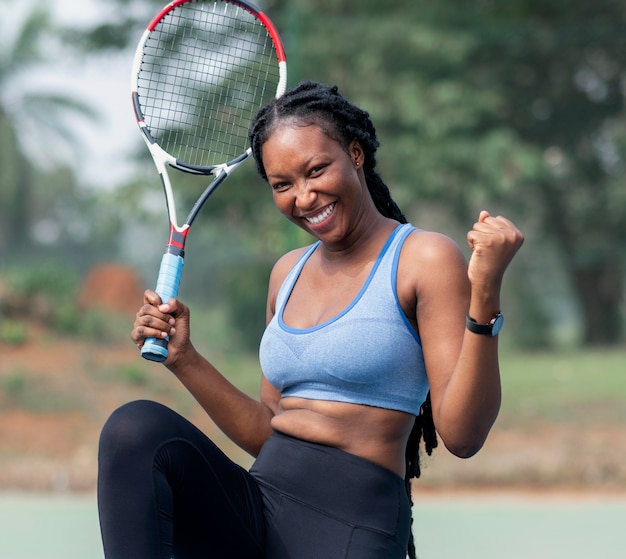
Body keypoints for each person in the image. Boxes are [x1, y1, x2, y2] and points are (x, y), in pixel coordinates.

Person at [98, 80, 524, 559]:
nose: (303, 197)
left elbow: (463, 437)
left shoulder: (423, 258)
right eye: (283, 185)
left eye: (316, 170)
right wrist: (184, 358)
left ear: (356, 154)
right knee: (133, 429)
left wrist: (485, 294)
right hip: (260, 508)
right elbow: (268, 428)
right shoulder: (287, 273)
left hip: (351, 525)